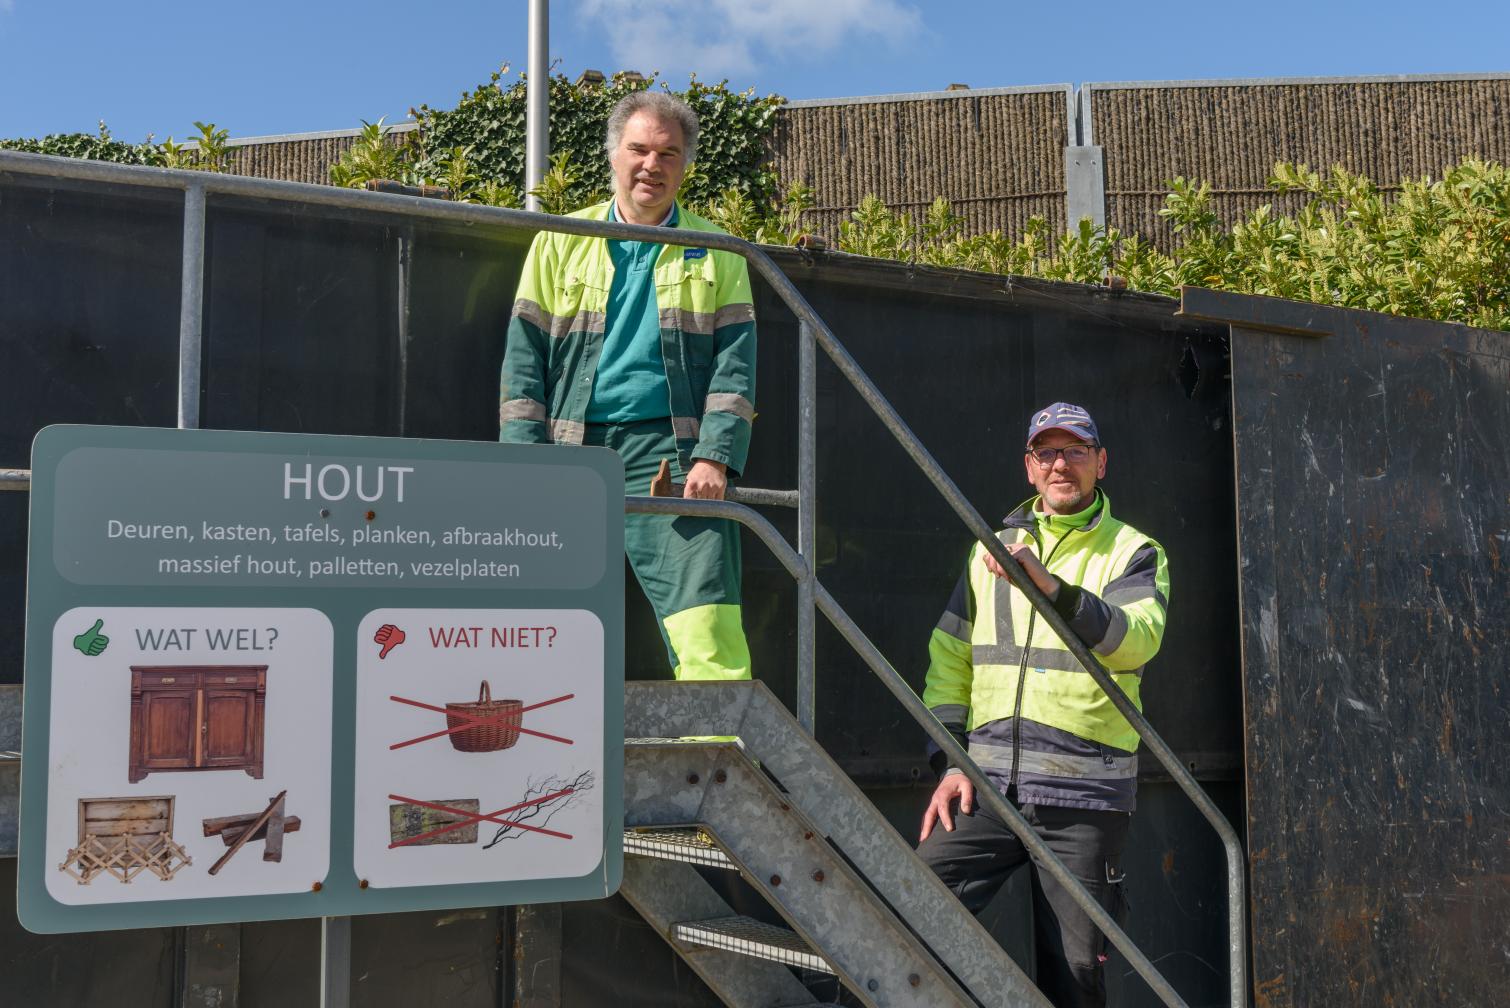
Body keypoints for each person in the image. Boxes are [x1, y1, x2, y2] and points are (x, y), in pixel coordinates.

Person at [916, 402, 1170, 1008]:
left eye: (1075, 451)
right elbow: (949, 663)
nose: (1061, 465)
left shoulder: (1134, 551)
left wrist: (1052, 589)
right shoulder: (989, 549)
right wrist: (951, 762)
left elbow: (1136, 641)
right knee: (908, 903)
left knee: (1076, 975)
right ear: (1029, 467)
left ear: (1101, 463)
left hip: (1084, 799)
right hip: (986, 789)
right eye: (1046, 453)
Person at [499, 91, 756, 680]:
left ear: (685, 165)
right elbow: (523, 358)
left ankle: (716, 738)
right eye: (639, 149)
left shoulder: (721, 250)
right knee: (543, 624)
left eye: (668, 153)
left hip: (674, 456)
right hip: (569, 452)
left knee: (706, 623)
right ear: (613, 154)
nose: (651, 165)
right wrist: (522, 460)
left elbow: (736, 368)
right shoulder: (558, 238)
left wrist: (715, 456)